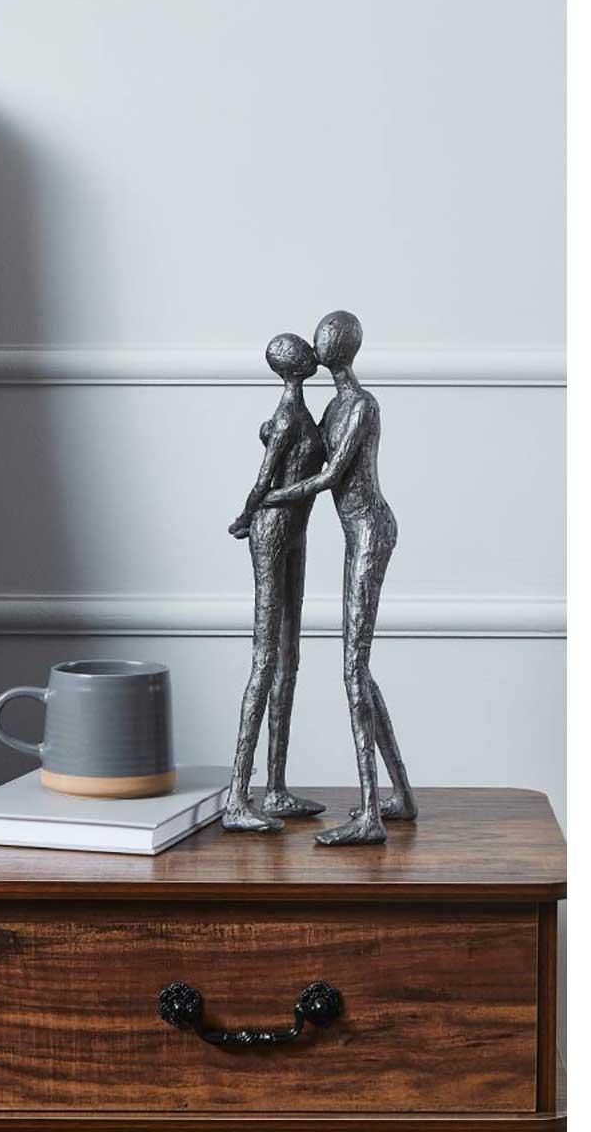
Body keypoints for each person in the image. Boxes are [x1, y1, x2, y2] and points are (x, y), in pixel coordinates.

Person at [264, 311, 416, 845]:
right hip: (355, 533)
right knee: (359, 671)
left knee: (353, 670)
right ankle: (400, 795)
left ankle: (371, 814)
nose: (321, 341)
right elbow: (307, 454)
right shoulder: (331, 407)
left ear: (342, 347)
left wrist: (269, 496)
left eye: (327, 335)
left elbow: (330, 475)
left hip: (371, 530)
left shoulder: (361, 405)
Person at [223, 333, 328, 832]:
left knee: (290, 656)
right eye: (301, 350)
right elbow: (264, 480)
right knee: (265, 658)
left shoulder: (300, 415)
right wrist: (246, 517)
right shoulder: (288, 417)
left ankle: (277, 788)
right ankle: (237, 797)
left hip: (296, 531)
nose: (311, 353)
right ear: (291, 365)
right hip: (271, 529)